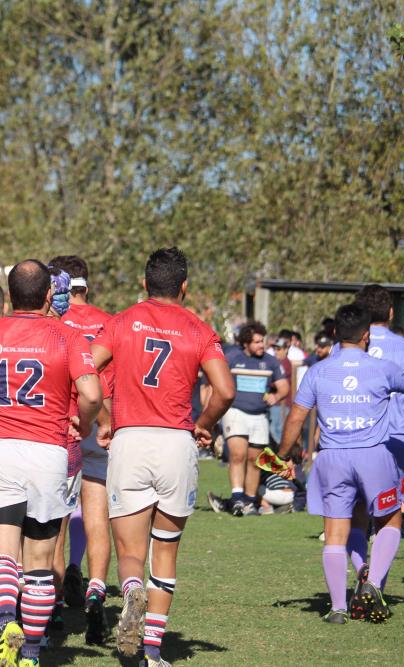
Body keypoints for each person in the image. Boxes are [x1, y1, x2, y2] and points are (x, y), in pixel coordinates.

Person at [0, 259, 102, 667]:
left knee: (0, 554)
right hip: (48, 453)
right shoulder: (68, 336)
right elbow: (92, 394)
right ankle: (30, 651)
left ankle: (6, 623)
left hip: (0, 451)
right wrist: (84, 423)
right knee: (39, 563)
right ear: (49, 294)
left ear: (11, 296)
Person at [90, 247, 234, 667]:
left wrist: (104, 416)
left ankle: (132, 590)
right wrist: (204, 423)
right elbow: (225, 390)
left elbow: (86, 368)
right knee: (166, 551)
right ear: (184, 287)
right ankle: (153, 651)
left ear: (144, 283)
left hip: (131, 440)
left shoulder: (121, 322)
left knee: (130, 551)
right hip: (176, 443)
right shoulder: (198, 329)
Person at [278, 302, 404, 624]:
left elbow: (296, 417)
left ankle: (338, 609)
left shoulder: (318, 371)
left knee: (335, 533)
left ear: (334, 332)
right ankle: (373, 582)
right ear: (366, 335)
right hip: (374, 456)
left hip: (332, 458)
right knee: (389, 520)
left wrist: (284, 454)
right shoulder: (383, 368)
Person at [343, 285, 404, 618]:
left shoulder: (346, 346)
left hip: (353, 438)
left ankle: (363, 573)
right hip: (396, 439)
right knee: (389, 516)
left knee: (357, 514)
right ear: (391, 312)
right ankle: (375, 585)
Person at [48, 254, 114, 645]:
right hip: (103, 420)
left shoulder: (55, 323)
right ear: (87, 284)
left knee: (55, 520)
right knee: (97, 514)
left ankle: (54, 605)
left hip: (67, 421)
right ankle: (96, 592)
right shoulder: (109, 321)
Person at [208, 321, 288, 516]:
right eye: (257, 342)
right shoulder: (232, 358)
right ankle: (237, 498)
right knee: (238, 455)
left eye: (262, 341)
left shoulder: (270, 361)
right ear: (246, 343)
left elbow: (284, 387)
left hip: (259, 416)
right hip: (235, 412)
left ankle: (250, 502)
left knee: (255, 460)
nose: (262, 345)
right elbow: (217, 384)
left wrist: (276, 396)